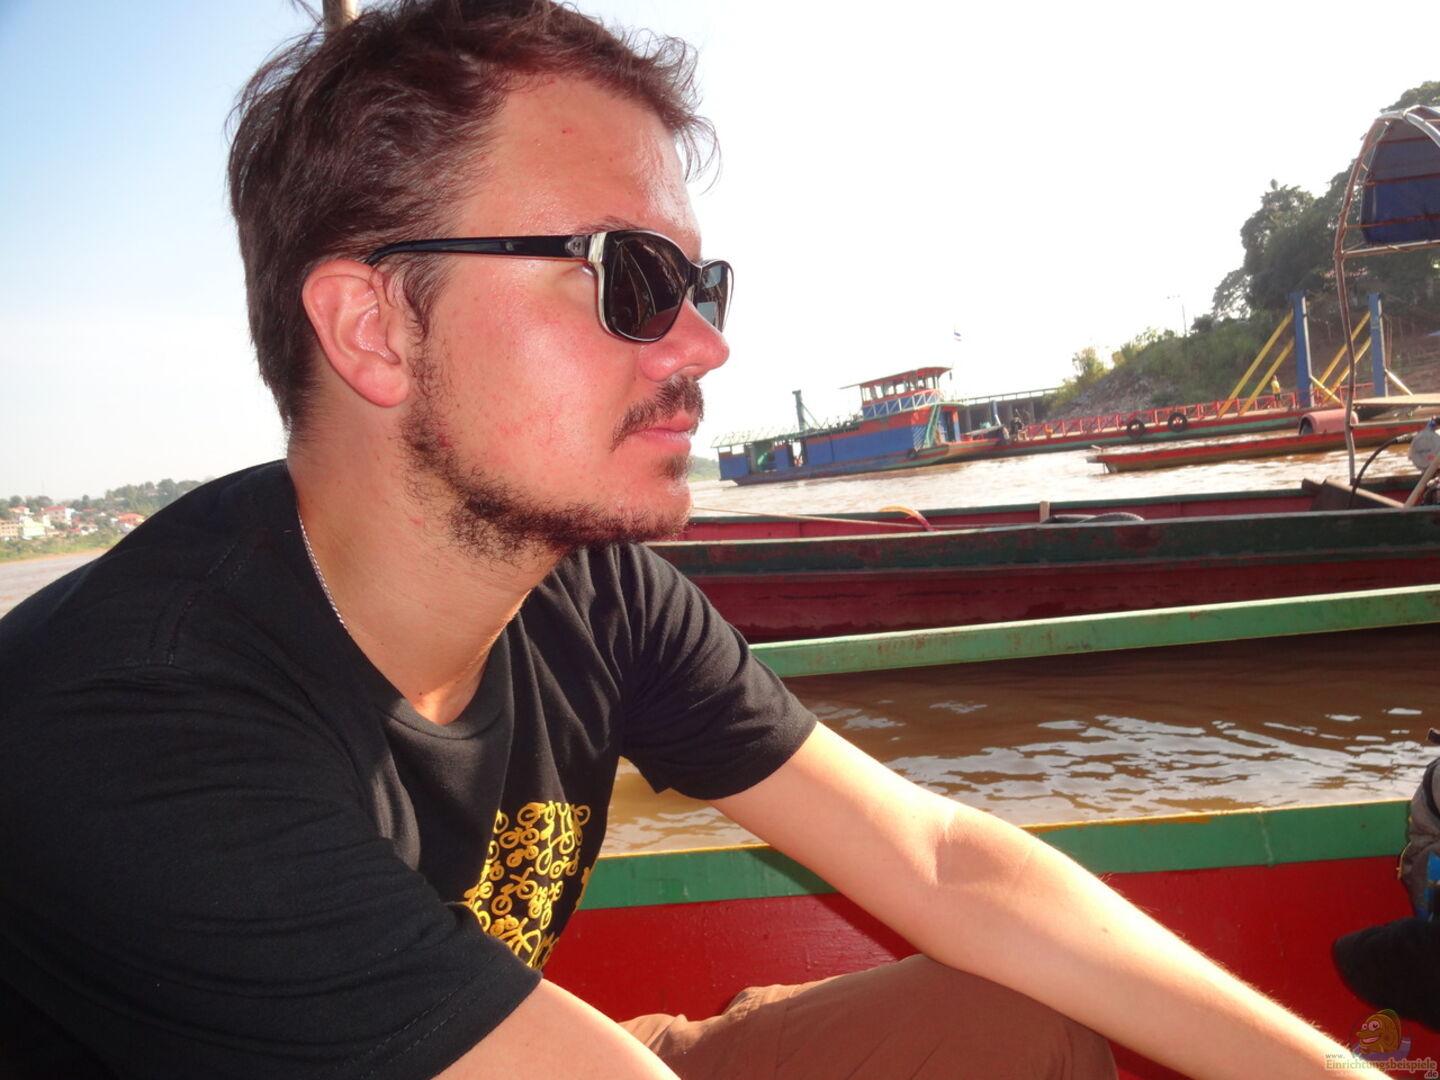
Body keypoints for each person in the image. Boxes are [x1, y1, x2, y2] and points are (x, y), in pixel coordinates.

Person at [0, 2, 1382, 1078]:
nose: (704, 345)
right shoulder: (133, 728)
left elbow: (946, 863)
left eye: (700, 283)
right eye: (629, 277)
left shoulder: (590, 594)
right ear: (375, 329)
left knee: (1013, 1020)